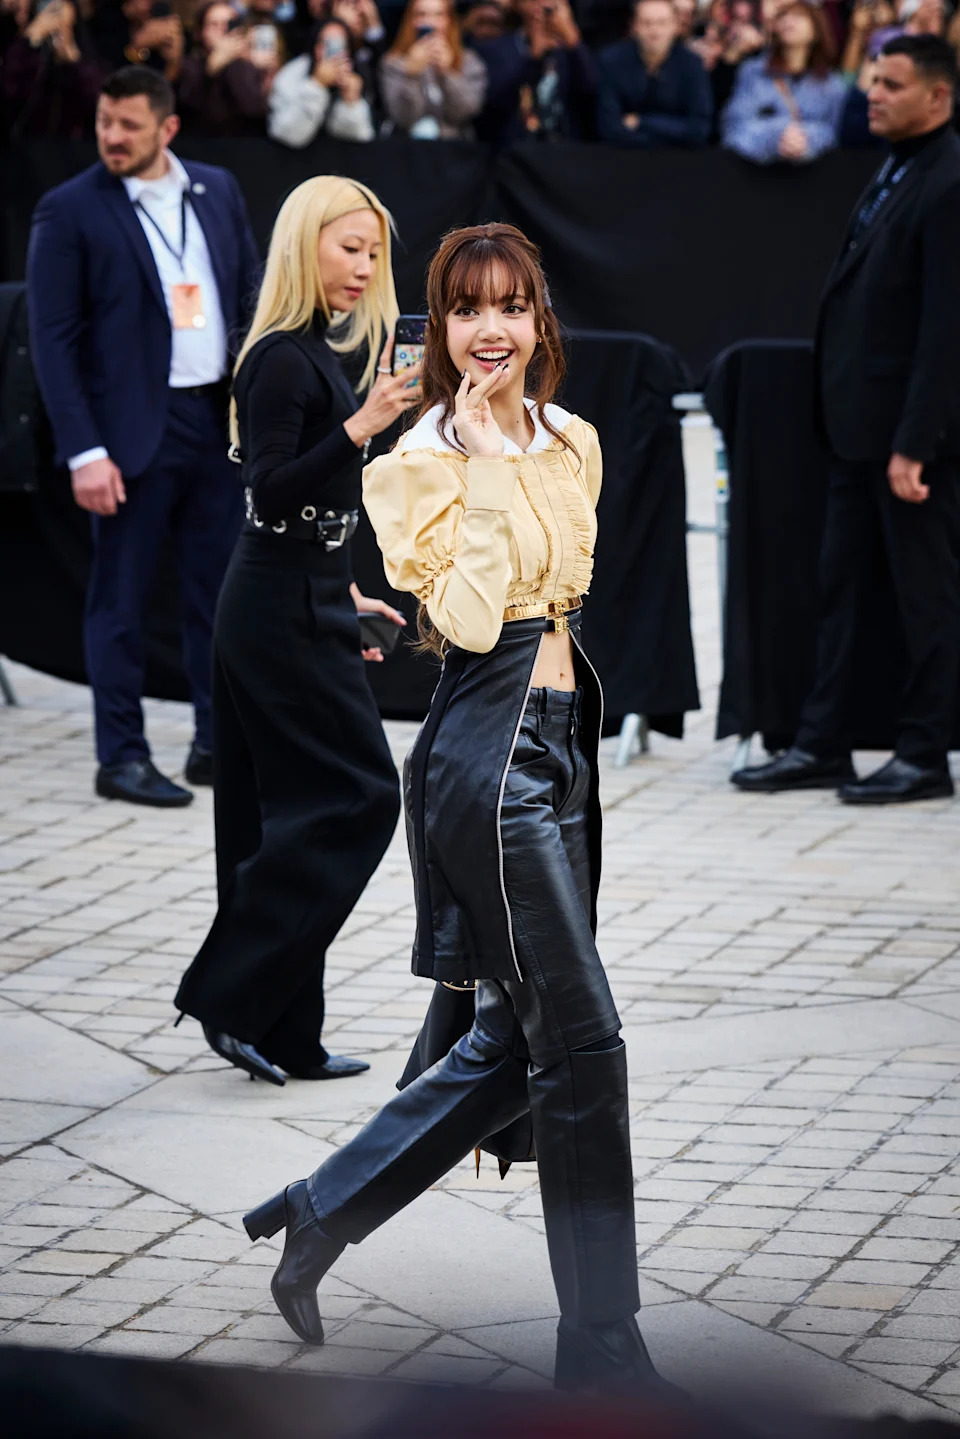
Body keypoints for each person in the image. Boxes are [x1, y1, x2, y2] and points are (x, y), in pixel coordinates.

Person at [240, 222, 661, 1395]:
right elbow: (472, 626)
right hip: (485, 757)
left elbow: (570, 583)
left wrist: (512, 459)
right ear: (442, 322)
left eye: (512, 306)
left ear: (538, 320)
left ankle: (318, 1211)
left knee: (514, 1038)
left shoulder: (571, 436)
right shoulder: (412, 457)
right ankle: (603, 1349)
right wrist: (476, 466)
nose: (491, 330)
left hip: (566, 745)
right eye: (467, 307)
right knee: (586, 1045)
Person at [174, 177, 417, 1086]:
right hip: (274, 603)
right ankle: (231, 995)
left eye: (373, 252)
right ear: (305, 245)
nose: (363, 267)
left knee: (274, 814)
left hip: (301, 590)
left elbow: (302, 505)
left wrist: (343, 590)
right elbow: (270, 488)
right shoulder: (280, 356)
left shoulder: (313, 352)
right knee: (358, 797)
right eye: (348, 247)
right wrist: (365, 422)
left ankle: (285, 1031)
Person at [733, 36, 960, 804]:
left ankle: (925, 753)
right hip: (853, 435)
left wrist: (915, 443)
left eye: (893, 84)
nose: (875, 94)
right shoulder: (894, 167)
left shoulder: (949, 180)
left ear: (938, 97)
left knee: (924, 599)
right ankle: (824, 743)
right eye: (873, 80)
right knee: (841, 591)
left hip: (906, 443)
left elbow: (945, 331)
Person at [26, 66, 260, 806]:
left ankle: (213, 744)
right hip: (129, 431)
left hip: (213, 422)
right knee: (119, 600)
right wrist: (84, 450)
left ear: (167, 128)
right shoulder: (70, 209)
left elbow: (249, 288)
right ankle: (120, 755)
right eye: (104, 122)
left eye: (127, 124)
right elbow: (52, 340)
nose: (111, 137)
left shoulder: (215, 188)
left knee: (216, 596)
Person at [721, 0, 846, 163]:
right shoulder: (752, 73)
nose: (789, 21)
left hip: (812, 180)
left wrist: (806, 140)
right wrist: (776, 136)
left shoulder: (832, 85)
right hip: (755, 177)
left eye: (799, 15)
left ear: (816, 28)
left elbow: (836, 134)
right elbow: (733, 130)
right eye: (783, 16)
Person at [470, 0, 597, 143]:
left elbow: (592, 92)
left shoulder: (571, 51)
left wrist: (574, 41)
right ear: (518, 5)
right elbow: (494, 105)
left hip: (568, 150)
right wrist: (534, 58)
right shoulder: (497, 48)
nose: (542, 5)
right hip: (514, 153)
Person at [597, 0, 713, 148]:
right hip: (622, 157)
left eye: (662, 23)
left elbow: (699, 129)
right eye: (646, 23)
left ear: (675, 26)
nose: (654, 31)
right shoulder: (611, 62)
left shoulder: (692, 65)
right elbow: (609, 127)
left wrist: (641, 122)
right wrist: (669, 133)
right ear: (634, 26)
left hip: (680, 160)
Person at [379, 0, 487, 138]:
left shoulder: (469, 61)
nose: (430, 23)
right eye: (421, 15)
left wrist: (447, 73)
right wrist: (411, 75)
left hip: (455, 149)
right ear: (410, 21)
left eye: (438, 15)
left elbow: (465, 113)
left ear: (449, 21)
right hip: (407, 149)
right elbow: (403, 118)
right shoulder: (393, 63)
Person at [1, 0, 103, 138]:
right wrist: (32, 39)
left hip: (72, 147)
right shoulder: (19, 49)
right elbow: (10, 90)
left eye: (65, 27)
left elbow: (97, 101)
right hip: (24, 143)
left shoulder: (87, 55)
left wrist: (72, 57)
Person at [268, 17, 375, 143]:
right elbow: (288, 135)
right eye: (328, 44)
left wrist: (351, 102)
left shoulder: (357, 75)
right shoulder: (293, 74)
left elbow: (360, 138)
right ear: (316, 48)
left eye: (340, 44)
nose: (335, 53)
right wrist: (317, 85)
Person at [177, 0, 268, 137]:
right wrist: (211, 68)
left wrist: (241, 63)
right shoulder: (189, 65)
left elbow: (254, 110)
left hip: (243, 144)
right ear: (200, 32)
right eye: (214, 24)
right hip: (199, 142)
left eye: (229, 23)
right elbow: (186, 111)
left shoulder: (247, 64)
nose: (223, 29)